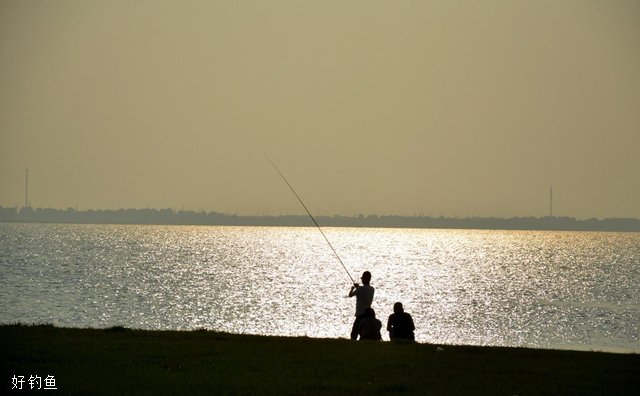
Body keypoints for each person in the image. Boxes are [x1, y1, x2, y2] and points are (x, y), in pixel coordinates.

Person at [348, 271, 374, 340]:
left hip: (360, 314)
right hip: (368, 314)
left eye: (362, 278)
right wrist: (358, 287)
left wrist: (352, 289)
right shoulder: (372, 289)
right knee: (364, 331)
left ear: (365, 279)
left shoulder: (360, 289)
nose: (361, 279)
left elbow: (350, 295)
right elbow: (364, 291)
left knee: (354, 332)